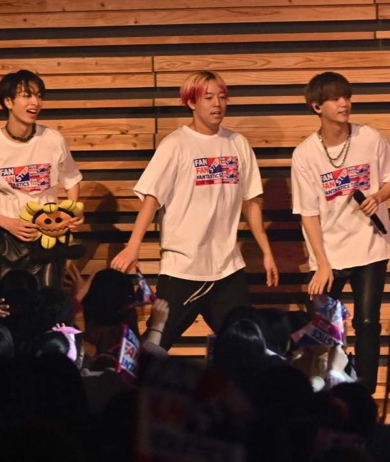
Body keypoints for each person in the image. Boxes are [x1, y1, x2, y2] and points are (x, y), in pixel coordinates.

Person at [110, 70, 278, 349]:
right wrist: (133, 246)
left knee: (247, 347)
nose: (217, 104)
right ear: (191, 102)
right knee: (154, 345)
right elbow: (152, 199)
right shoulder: (175, 145)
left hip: (228, 268)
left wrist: (267, 251)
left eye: (222, 97)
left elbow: (251, 201)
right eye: (208, 98)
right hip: (183, 269)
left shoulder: (238, 144)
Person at [289, 71, 390, 393]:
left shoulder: (370, 137)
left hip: (370, 246)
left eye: (347, 97)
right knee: (322, 328)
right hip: (329, 252)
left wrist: (378, 196)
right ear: (317, 107)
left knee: (367, 322)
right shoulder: (305, 154)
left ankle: (364, 391)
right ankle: (322, 389)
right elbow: (308, 213)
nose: (344, 103)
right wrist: (322, 263)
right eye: (336, 98)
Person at [0, 70, 83, 292]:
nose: (35, 102)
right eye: (27, 95)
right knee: (5, 303)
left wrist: (71, 211)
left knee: (47, 303)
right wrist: (8, 223)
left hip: (48, 238)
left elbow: (71, 179)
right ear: (8, 102)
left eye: (39, 96)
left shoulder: (53, 139)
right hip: (8, 242)